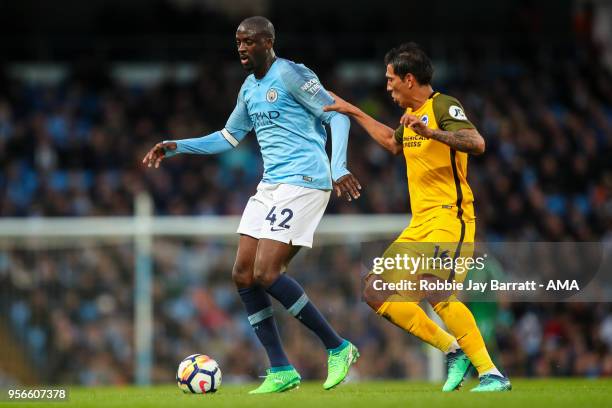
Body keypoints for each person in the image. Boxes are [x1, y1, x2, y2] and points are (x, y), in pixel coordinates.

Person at [142, 16, 360, 393]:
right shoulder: (248, 88)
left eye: (248, 41)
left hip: (305, 182)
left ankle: (338, 347)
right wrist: (180, 146)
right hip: (271, 186)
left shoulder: (291, 74)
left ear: (267, 42)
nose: (241, 48)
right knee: (243, 274)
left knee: (267, 272)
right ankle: (280, 369)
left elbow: (338, 115)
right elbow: (228, 137)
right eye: (237, 42)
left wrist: (338, 165)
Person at [323, 42, 511, 392]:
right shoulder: (408, 119)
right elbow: (392, 143)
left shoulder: (442, 105)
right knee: (376, 290)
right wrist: (350, 109)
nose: (388, 86)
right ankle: (453, 350)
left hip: (449, 217)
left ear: (409, 78)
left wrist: (432, 133)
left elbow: (477, 142)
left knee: (434, 286)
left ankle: (492, 374)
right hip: (419, 223)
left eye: (391, 79)